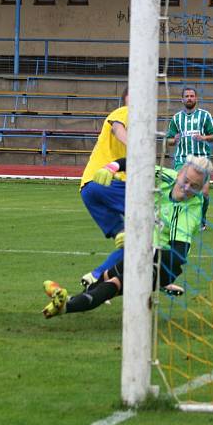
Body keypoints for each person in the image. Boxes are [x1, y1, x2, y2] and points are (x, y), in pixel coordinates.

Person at [42, 155, 213, 318]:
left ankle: (66, 307)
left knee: (116, 283)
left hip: (164, 265)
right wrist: (112, 167)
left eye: (195, 186)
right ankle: (65, 303)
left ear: (201, 188)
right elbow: (135, 164)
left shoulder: (190, 210)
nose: (186, 188)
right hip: (143, 250)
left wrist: (138, 243)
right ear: (180, 173)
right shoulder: (167, 177)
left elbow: (177, 255)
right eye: (186, 181)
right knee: (103, 280)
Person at [78, 89, 129, 286]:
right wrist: (136, 145)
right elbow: (118, 128)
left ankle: (95, 278)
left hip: (88, 188)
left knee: (130, 244)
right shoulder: (126, 111)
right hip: (108, 182)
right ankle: (162, 279)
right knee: (155, 225)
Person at [165, 87, 213, 230]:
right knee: (179, 190)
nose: (189, 98)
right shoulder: (176, 118)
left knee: (204, 192)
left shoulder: (205, 116)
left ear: (196, 98)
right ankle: (177, 219)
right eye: (187, 96)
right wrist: (174, 140)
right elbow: (168, 140)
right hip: (182, 159)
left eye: (192, 96)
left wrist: (203, 137)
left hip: (201, 160)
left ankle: (201, 220)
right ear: (182, 99)